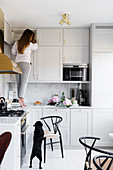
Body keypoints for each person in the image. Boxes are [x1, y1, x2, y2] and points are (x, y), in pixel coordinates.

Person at [12, 29, 38, 107]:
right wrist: (34, 41)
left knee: (18, 81)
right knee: (24, 81)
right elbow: (36, 47)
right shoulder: (29, 44)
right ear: (29, 37)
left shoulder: (17, 43)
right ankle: (21, 98)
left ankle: (20, 99)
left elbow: (13, 52)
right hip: (26, 63)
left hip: (17, 64)